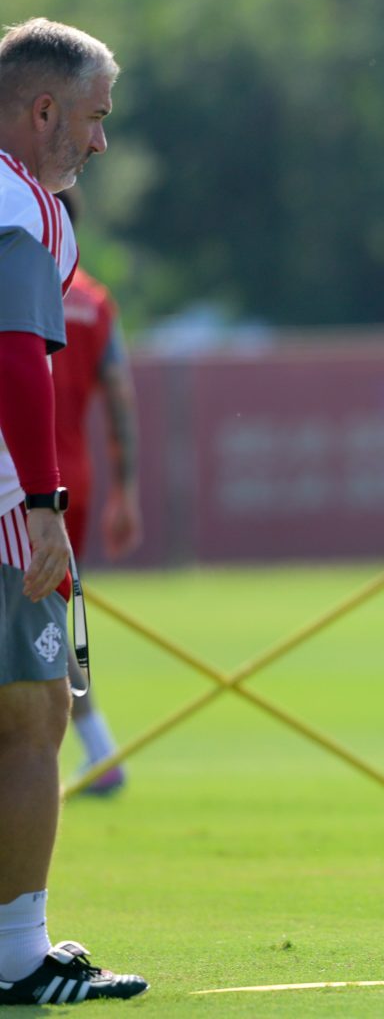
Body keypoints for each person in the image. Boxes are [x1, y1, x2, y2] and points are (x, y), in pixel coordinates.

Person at [0, 17, 147, 1005]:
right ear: (44, 110)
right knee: (33, 715)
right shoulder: (25, 207)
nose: (101, 141)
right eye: (93, 118)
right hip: (6, 501)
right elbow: (16, 358)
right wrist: (45, 504)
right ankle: (19, 958)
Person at [53, 190, 141, 795]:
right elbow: (120, 397)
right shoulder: (95, 302)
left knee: (39, 620)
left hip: (17, 481)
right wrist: (125, 490)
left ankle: (99, 749)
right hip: (75, 480)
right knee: (48, 616)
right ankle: (98, 748)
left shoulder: (16, 288)